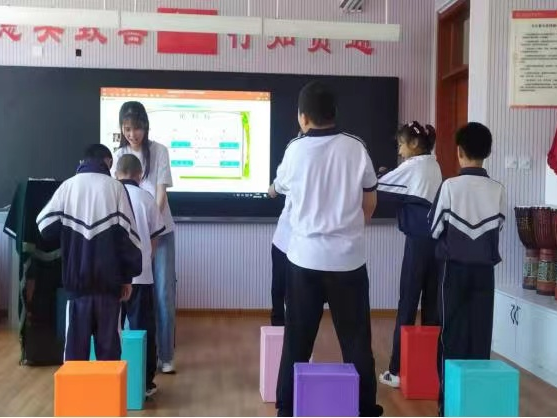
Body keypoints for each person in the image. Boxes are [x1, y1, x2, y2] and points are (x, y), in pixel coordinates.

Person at [270, 81, 383, 417]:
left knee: (297, 338)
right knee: (357, 339)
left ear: (302, 117)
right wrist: (350, 232)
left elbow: (279, 187)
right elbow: (370, 201)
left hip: (304, 260)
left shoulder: (295, 150)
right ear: (334, 113)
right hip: (349, 261)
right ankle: (365, 408)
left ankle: (286, 407)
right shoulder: (356, 147)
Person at [36, 144, 142, 361]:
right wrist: (128, 278)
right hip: (109, 290)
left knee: (74, 360)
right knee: (109, 360)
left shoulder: (68, 187)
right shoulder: (116, 188)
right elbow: (129, 239)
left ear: (82, 162)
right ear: (107, 162)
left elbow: (44, 226)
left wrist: (68, 232)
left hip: (77, 290)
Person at [429, 122, 505, 416]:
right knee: (480, 337)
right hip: (485, 274)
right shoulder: (498, 189)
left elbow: (434, 228)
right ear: (488, 152)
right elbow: (497, 226)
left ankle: (448, 405)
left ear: (459, 152)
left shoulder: (450, 187)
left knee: (451, 336)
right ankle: (476, 405)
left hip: (453, 271)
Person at [112, 101, 177, 374]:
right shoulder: (119, 154)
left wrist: (151, 225)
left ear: (145, 127)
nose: (132, 134)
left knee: (163, 294)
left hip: (160, 231)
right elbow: (115, 194)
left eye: (137, 128)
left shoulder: (159, 151)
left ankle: (166, 356)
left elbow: (161, 194)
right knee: (132, 293)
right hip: (130, 234)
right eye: (127, 129)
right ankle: (134, 356)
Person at [376, 121, 442, 388]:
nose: (400, 151)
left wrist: (380, 174)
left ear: (414, 144)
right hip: (437, 243)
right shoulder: (433, 164)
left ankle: (396, 371)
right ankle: (430, 372)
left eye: (402, 145)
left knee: (407, 304)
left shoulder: (413, 165)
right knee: (432, 308)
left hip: (418, 243)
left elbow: (379, 187)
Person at [116, 154, 166, 397]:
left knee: (112, 329)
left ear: (116, 173)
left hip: (114, 277)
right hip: (141, 276)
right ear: (139, 175)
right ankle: (144, 383)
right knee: (142, 329)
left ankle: (114, 379)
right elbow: (156, 236)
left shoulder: (111, 196)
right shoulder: (146, 198)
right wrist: (147, 259)